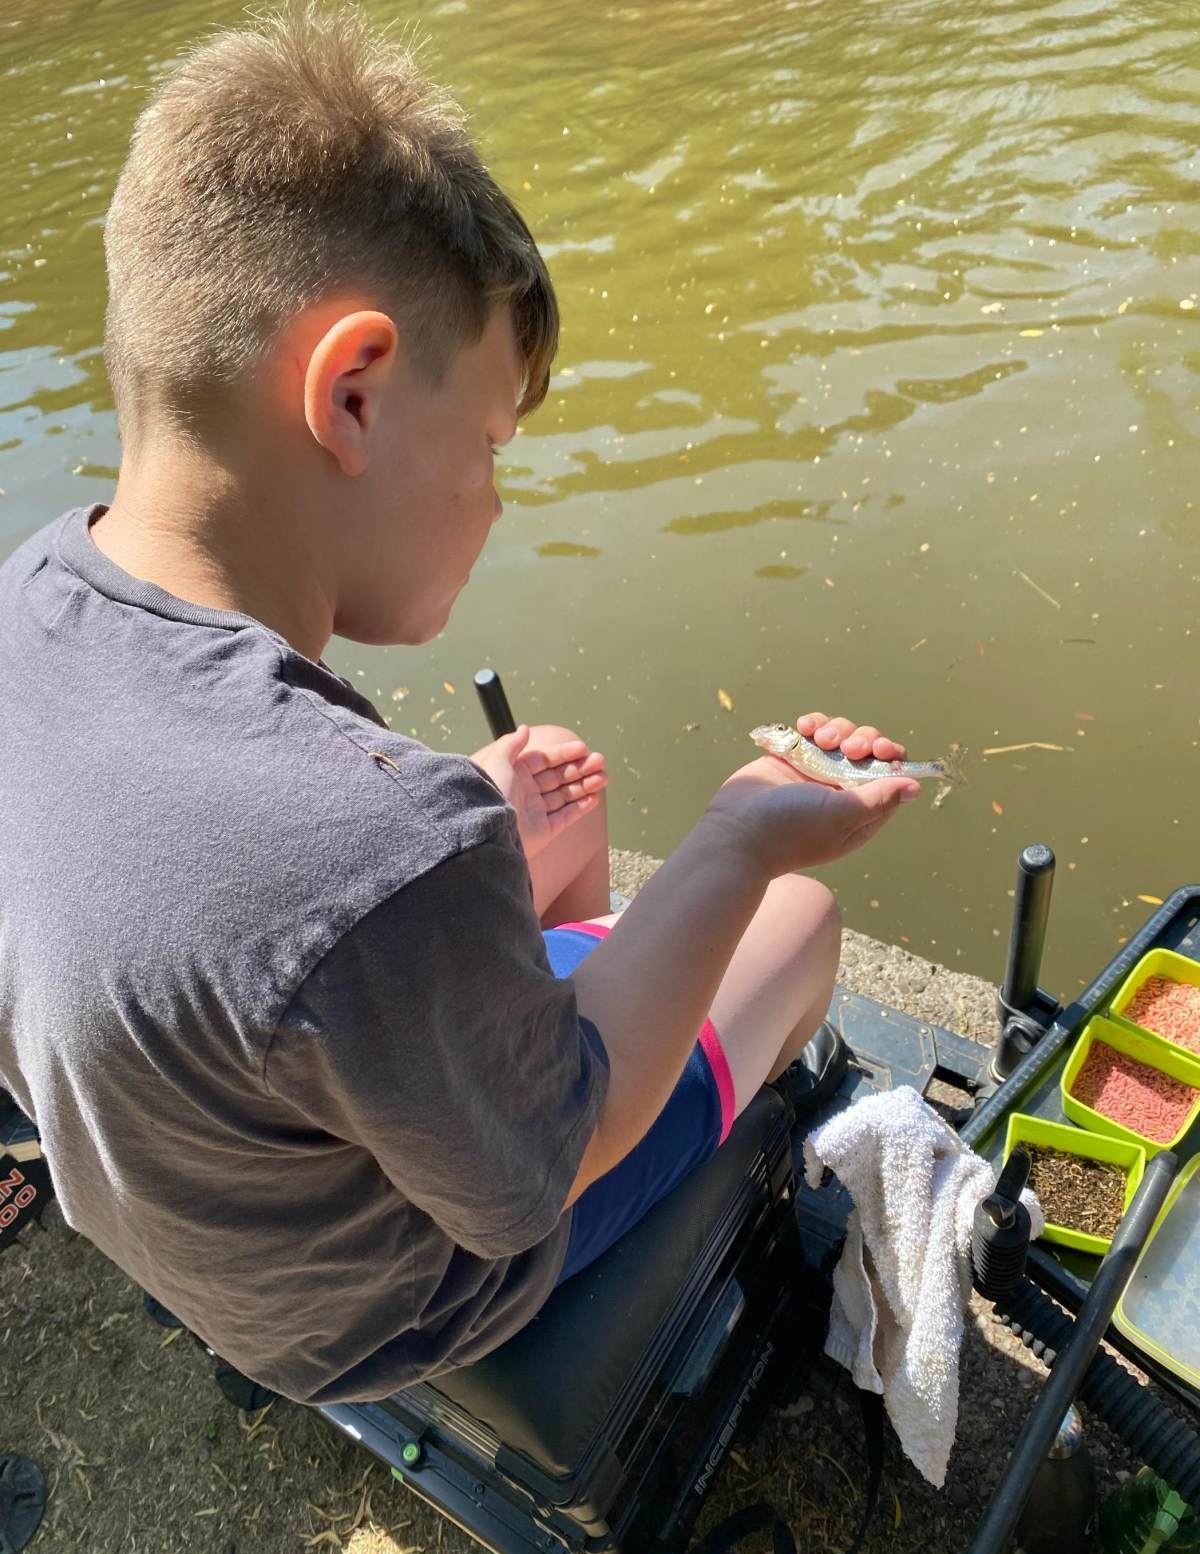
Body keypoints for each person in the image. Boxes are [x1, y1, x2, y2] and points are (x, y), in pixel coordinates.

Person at [0, 5, 922, 1405]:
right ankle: (698, 1108)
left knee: (546, 799)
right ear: (356, 395)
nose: (495, 499)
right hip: (384, 1305)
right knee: (794, 923)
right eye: (490, 443)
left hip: (211, 1201)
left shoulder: (31, 593)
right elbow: (538, 1173)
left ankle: (534, 1016)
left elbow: (270, 891)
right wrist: (741, 841)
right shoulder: (371, 844)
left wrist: (456, 827)